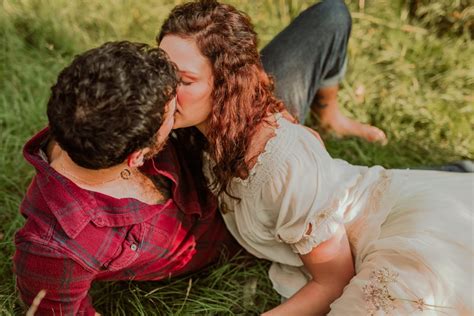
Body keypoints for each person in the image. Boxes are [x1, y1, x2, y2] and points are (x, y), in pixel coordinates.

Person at [157, 0, 473, 314]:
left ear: (227, 83)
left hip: (371, 244)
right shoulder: (207, 129)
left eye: (185, 80)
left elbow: (334, 281)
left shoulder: (282, 169)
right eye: (163, 71)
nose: (166, 91)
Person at [13, 41, 240, 315]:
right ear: (137, 157)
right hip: (231, 243)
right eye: (171, 113)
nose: (181, 101)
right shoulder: (53, 250)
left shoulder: (104, 108)